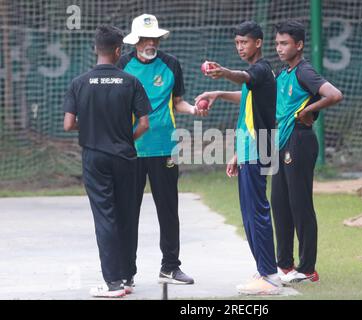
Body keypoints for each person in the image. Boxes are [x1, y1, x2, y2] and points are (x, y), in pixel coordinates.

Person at [118, 14, 206, 287]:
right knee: (127, 211)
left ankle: (170, 267)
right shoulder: (123, 65)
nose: (151, 42)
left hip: (165, 147)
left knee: (168, 209)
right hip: (131, 149)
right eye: (145, 38)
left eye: (154, 38)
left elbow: (177, 102)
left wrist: (193, 109)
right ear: (135, 41)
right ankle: (125, 272)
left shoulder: (170, 64)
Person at [63, 26, 151, 297]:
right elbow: (144, 123)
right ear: (118, 51)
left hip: (95, 157)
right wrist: (126, 137)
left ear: (95, 49)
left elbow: (68, 124)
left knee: (105, 217)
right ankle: (127, 278)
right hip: (125, 156)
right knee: (127, 215)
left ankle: (112, 284)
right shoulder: (131, 82)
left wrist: (91, 125)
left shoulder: (78, 83)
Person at [195, 21, 281, 295]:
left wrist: (223, 73)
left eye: (244, 42)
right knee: (248, 212)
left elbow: (244, 78)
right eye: (237, 43)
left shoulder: (261, 69)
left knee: (257, 212)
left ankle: (269, 276)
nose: (240, 47)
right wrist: (219, 93)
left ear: (258, 43)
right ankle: (263, 269)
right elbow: (245, 96)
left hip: (260, 147)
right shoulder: (254, 77)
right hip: (248, 149)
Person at [272, 20, 343, 284]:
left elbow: (334, 94)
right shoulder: (283, 74)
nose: (279, 48)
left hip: (300, 141)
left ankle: (308, 268)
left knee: (299, 204)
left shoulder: (304, 71)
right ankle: (285, 265)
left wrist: (309, 111)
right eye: (277, 43)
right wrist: (221, 92)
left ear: (299, 45)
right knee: (279, 204)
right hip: (282, 141)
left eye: (285, 43)